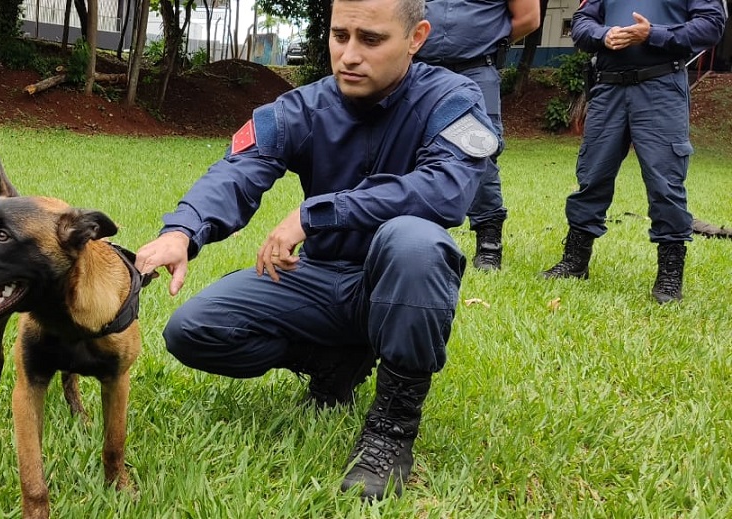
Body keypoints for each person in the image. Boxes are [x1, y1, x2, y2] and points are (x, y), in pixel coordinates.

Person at [134, 0, 500, 500]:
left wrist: (317, 213)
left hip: (395, 284)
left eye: (370, 40)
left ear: (416, 38)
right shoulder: (303, 108)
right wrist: (184, 229)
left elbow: (446, 188)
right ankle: (334, 362)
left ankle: (390, 430)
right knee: (193, 329)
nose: (349, 55)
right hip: (322, 279)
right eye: (339, 35)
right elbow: (240, 168)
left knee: (415, 240)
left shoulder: (452, 99)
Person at [542, 0, 726, 303]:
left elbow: (710, 26)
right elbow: (581, 22)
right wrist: (603, 35)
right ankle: (575, 262)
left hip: (662, 87)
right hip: (608, 90)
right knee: (591, 175)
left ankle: (669, 276)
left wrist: (653, 34)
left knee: (665, 183)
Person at [416, 0, 541, 270]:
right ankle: (413, 236)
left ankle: (489, 245)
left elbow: (529, 18)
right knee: (408, 148)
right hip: (418, 68)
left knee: (480, 152)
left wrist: (484, 40)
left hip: (476, 69)